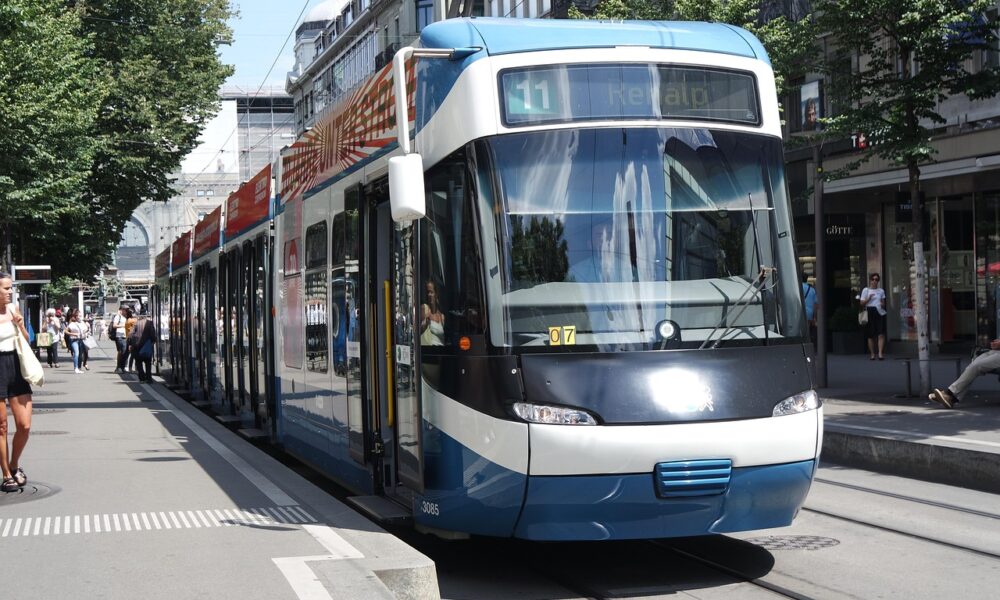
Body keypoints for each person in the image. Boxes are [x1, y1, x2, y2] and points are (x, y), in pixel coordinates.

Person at [0, 273, 33, 492]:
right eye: (6, 288)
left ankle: (14, 464)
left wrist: (20, 326)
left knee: (24, 425)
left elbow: (27, 341)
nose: (10, 292)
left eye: (10, 288)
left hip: (16, 365)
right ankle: (6, 474)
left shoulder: (13, 309)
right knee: (2, 426)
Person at [930, 339, 1000, 408]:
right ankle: (951, 398)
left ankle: (949, 394)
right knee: (972, 367)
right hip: (995, 351)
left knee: (976, 366)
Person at [859, 273, 887, 360]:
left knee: (881, 334)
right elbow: (862, 303)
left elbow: (883, 303)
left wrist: (882, 304)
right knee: (870, 335)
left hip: (879, 312)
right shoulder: (866, 290)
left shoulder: (881, 291)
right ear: (870, 280)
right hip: (869, 311)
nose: (874, 281)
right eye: (873, 279)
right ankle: (872, 354)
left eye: (876, 279)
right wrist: (869, 298)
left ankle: (880, 353)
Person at [131, 315, 157, 383]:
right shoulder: (150, 323)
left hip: (137, 346)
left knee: (139, 363)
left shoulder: (136, 323)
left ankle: (142, 378)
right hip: (147, 345)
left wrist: (131, 344)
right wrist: (153, 342)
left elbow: (131, 334)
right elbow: (153, 334)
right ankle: (149, 378)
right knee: (148, 363)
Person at [420, 281, 445, 346]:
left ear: (436, 294)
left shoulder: (441, 316)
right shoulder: (424, 308)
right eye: (427, 292)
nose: (429, 295)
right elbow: (418, 331)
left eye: (431, 292)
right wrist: (425, 321)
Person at [65, 309, 89, 374]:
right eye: (78, 316)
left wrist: (84, 332)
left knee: (81, 354)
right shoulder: (72, 323)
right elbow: (66, 331)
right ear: (75, 316)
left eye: (80, 316)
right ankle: (76, 368)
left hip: (81, 340)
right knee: (76, 353)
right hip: (74, 340)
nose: (80, 317)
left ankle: (79, 367)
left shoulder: (82, 323)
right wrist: (73, 334)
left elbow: (86, 329)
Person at [802, 272, 818, 346]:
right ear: (807, 279)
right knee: (807, 330)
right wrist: (814, 317)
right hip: (809, 313)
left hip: (799, 312)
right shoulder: (812, 290)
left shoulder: (797, 288)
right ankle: (807, 344)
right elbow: (815, 305)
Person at [111, 308, 127, 373]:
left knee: (125, 352)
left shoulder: (126, 317)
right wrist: (123, 325)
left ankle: (122, 367)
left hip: (126, 336)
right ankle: (119, 367)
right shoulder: (118, 317)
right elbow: (114, 325)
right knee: (121, 351)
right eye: (125, 310)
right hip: (120, 336)